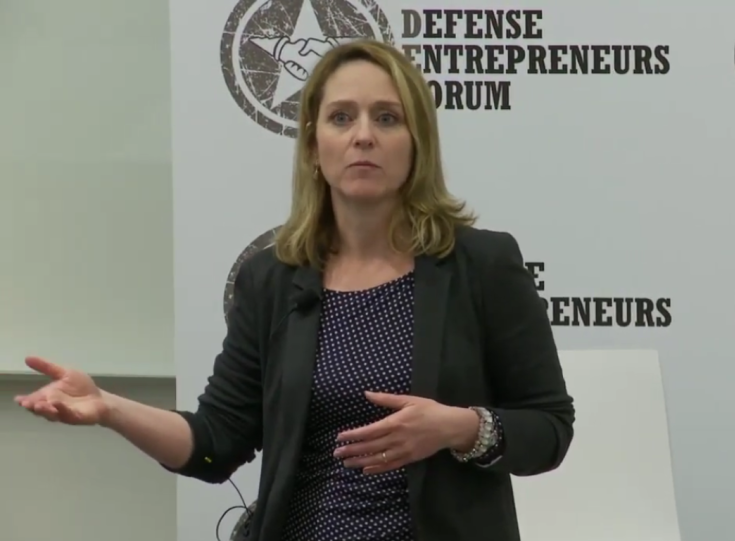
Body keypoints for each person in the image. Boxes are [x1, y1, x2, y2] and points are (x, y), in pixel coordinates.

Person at [13, 39, 575, 541]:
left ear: (417, 142)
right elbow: (215, 443)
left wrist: (458, 428)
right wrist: (108, 407)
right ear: (312, 144)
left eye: (386, 118)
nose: (363, 135)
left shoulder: (480, 265)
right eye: (341, 117)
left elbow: (550, 428)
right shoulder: (272, 280)